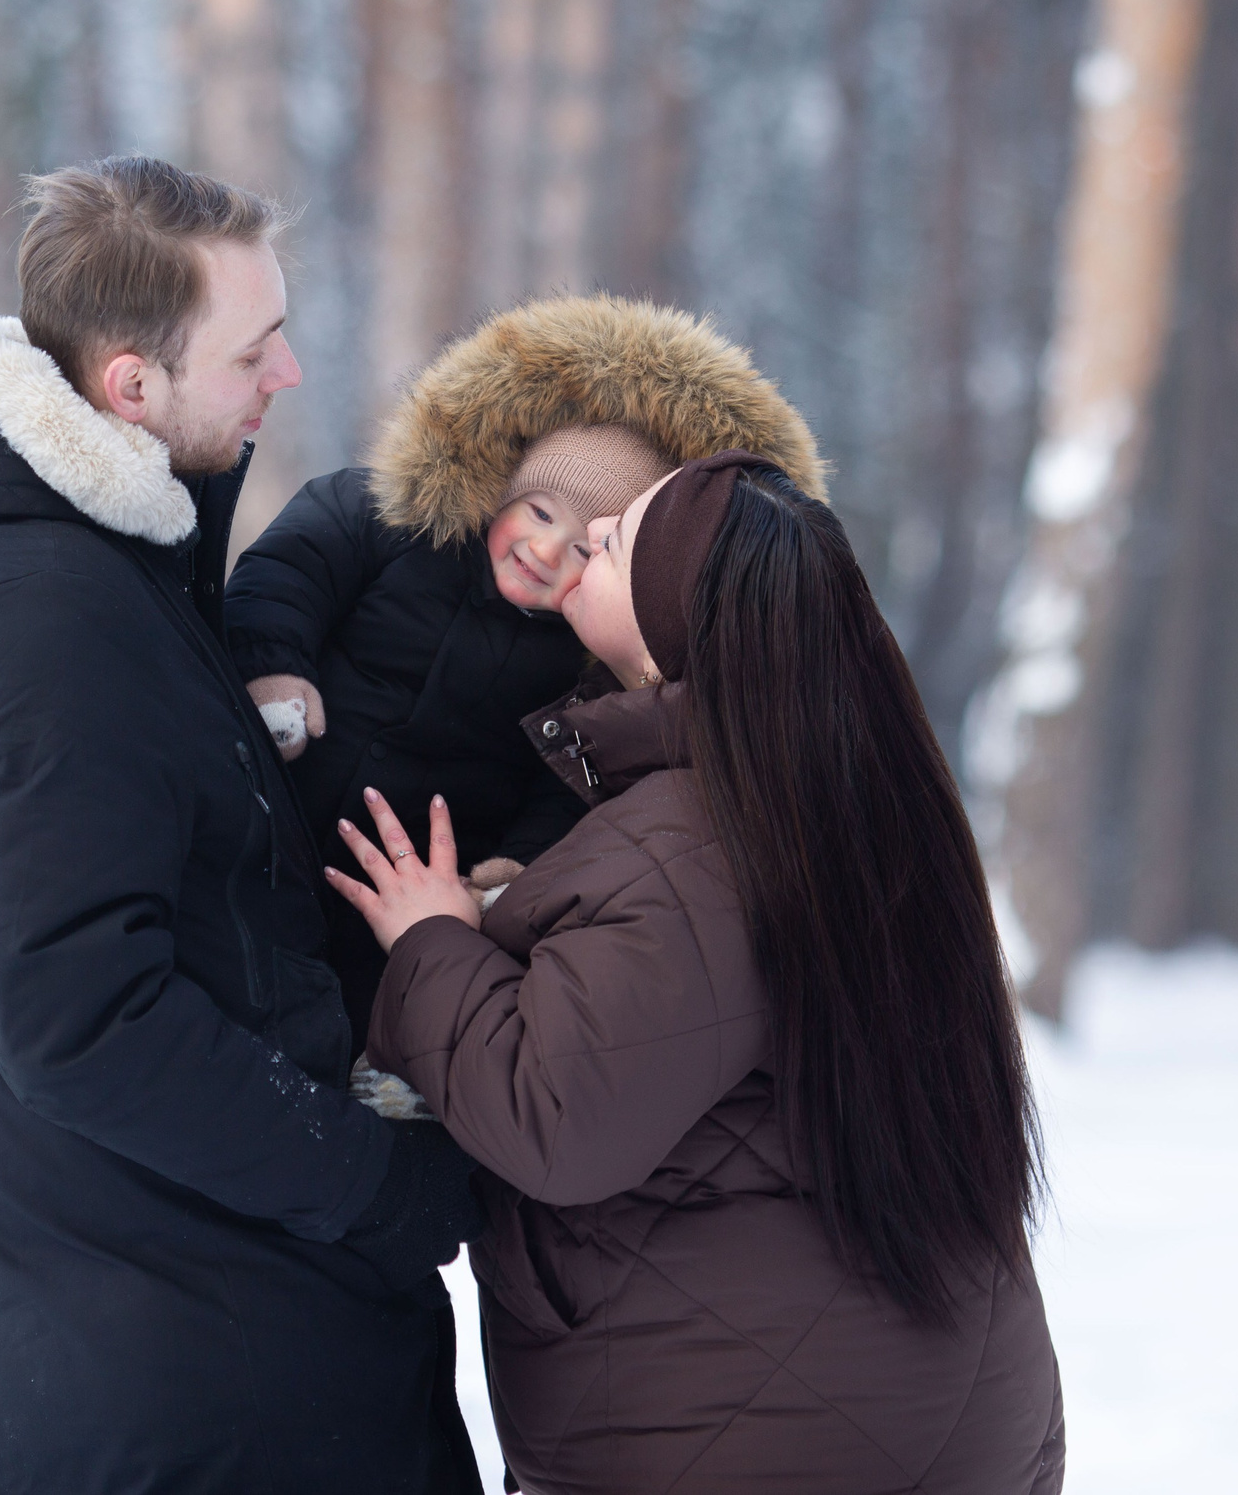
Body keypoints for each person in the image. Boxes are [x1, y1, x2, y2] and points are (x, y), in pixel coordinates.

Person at [0, 156, 484, 1495]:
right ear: (129, 386)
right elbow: (78, 1016)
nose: (285, 373)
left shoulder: (99, 562)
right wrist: (378, 1184)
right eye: (254, 348)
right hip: (197, 1388)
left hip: (233, 1341)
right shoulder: (37, 609)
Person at [329, 453, 1067, 1495]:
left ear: (677, 618)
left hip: (756, 1435)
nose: (580, 545)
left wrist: (432, 942)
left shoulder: (691, 843)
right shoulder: (841, 796)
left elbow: (556, 1116)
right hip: (925, 1402)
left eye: (614, 541)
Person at [224, 294, 825, 1041]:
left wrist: (518, 865)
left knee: (360, 987)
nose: (544, 551)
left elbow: (568, 781)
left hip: (415, 870)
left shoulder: (585, 666)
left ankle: (387, 1062)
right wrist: (274, 666)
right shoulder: (393, 525)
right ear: (505, 489)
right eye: (539, 514)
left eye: (582, 549)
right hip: (281, 797)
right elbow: (288, 571)